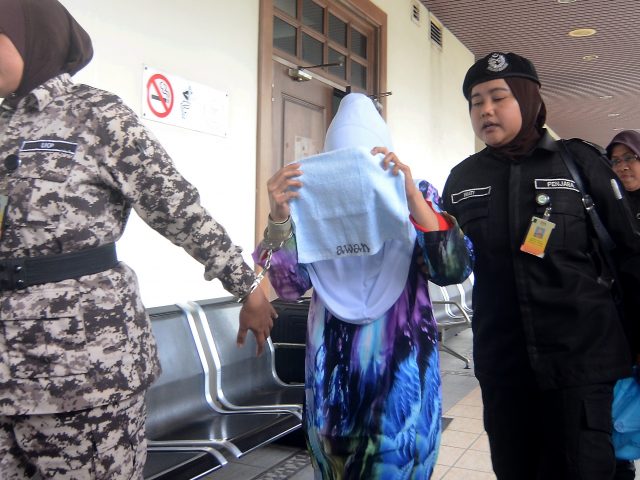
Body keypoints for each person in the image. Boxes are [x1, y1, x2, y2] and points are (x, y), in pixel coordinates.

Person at [0, 1, 276, 478]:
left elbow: (177, 209)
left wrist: (247, 286)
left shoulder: (95, 115)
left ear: (32, 37)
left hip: (85, 372)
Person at [254, 92, 474, 479]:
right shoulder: (309, 203)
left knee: (400, 463)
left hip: (402, 379)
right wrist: (278, 218)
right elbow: (288, 286)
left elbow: (452, 268)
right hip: (333, 382)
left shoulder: (416, 193)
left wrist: (411, 199)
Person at [442, 51, 640, 480]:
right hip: (504, 366)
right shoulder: (461, 180)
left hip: (582, 363)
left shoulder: (579, 163)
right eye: (476, 101)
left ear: (528, 98)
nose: (486, 110)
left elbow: (630, 251)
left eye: (499, 97)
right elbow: (447, 268)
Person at [606, 130, 640, 480]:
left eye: (630, 157)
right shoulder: (605, 209)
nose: (623, 166)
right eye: (615, 161)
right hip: (615, 328)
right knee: (620, 410)